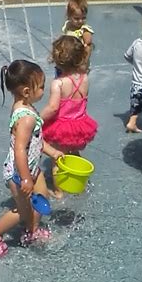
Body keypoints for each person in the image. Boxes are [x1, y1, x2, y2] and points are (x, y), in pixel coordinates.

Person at [0, 61, 63, 257]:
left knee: (42, 197)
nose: (43, 90)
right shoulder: (26, 118)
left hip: (32, 168)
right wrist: (25, 178)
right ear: (27, 91)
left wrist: (52, 152)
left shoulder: (26, 106)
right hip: (19, 172)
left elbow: (35, 142)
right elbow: (19, 150)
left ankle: (32, 231)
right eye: (41, 86)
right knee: (23, 211)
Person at [41, 36, 98, 197]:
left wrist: (38, 118)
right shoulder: (85, 79)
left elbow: (53, 108)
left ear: (57, 60)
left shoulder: (58, 83)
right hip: (80, 125)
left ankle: (59, 192)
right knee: (73, 154)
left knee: (57, 160)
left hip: (62, 128)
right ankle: (78, 180)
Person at [61, 0, 94, 68]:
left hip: (80, 60)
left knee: (88, 47)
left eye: (83, 18)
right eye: (76, 18)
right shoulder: (68, 25)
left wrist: (84, 62)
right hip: (69, 58)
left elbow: (88, 43)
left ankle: (84, 64)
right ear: (69, 16)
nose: (80, 21)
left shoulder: (84, 29)